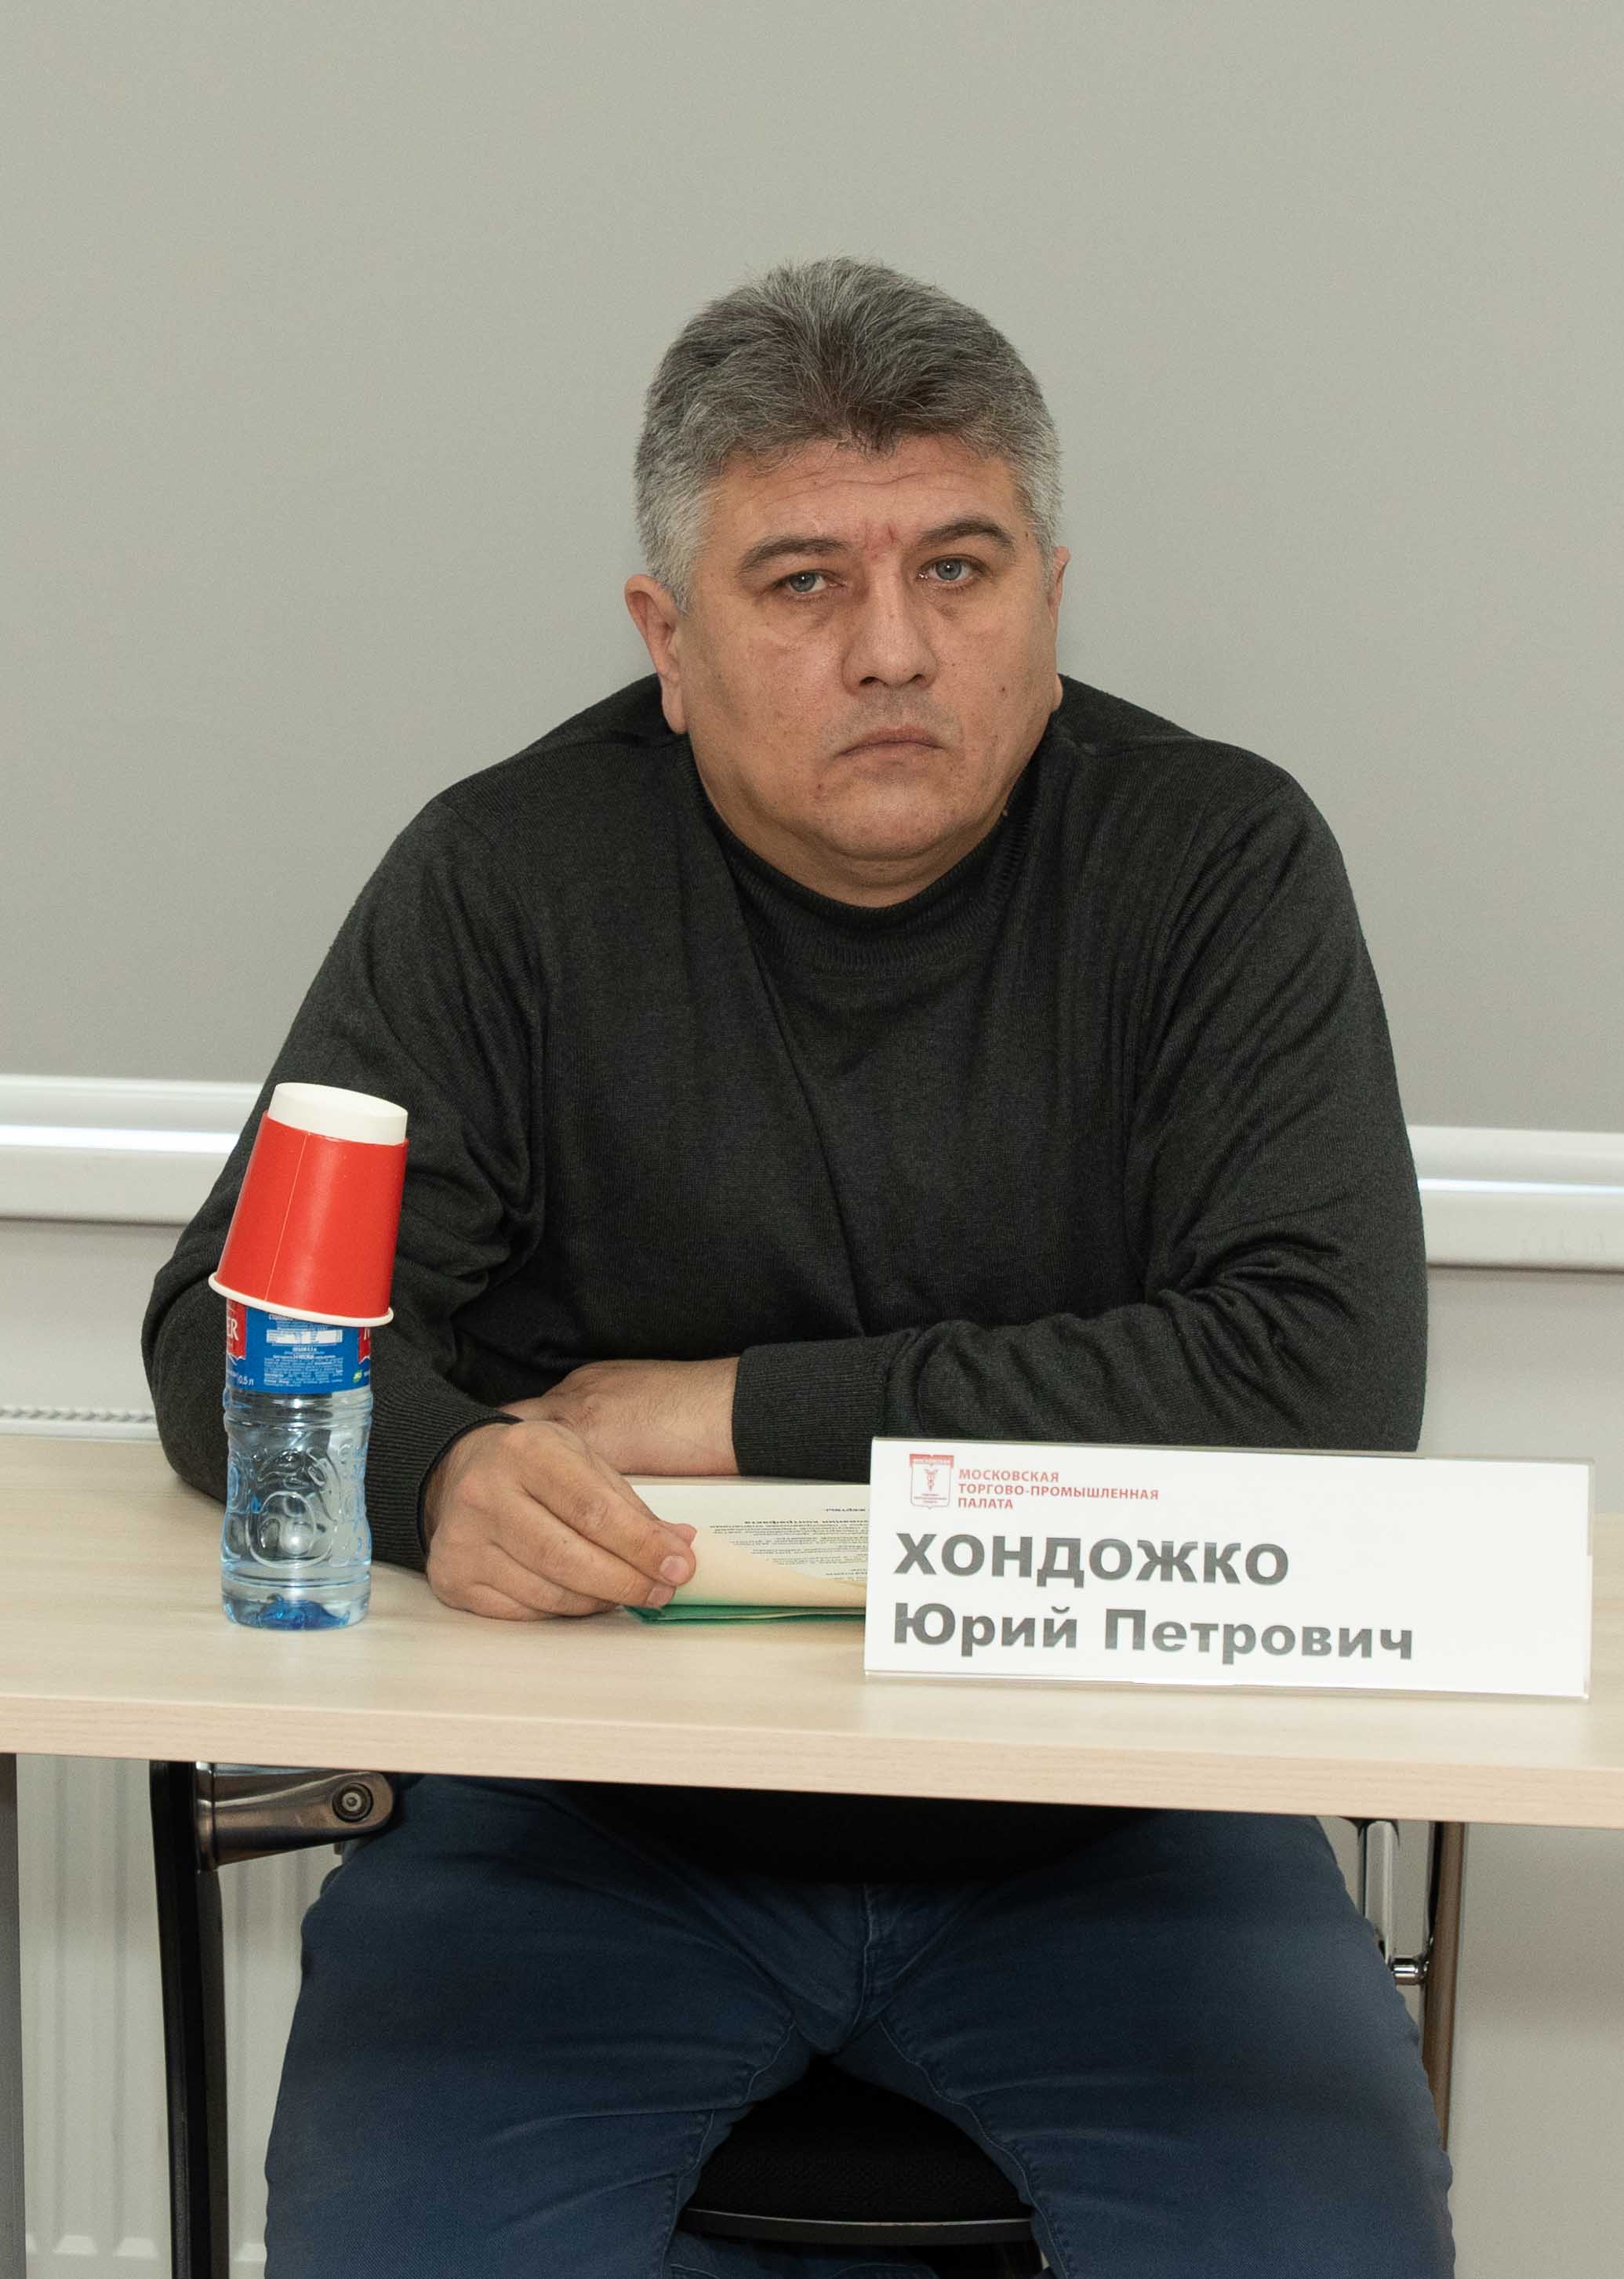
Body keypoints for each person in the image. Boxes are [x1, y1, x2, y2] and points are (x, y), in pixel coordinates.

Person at [145, 256, 1448, 2277]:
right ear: (668, 641)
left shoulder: (1216, 861)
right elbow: (224, 1332)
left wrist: (724, 1412)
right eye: (805, 583)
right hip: (590, 1813)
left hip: (1121, 1815)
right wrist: (444, 1470)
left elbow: (1325, 1381)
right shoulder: (511, 876)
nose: (895, 650)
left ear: (1051, 598)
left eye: (959, 570)